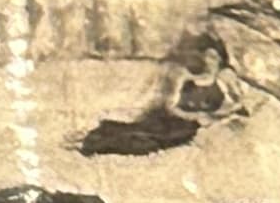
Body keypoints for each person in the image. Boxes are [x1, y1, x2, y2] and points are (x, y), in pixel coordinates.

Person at [79, 32, 255, 158]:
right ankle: (96, 142)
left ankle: (99, 143)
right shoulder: (184, 76)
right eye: (207, 56)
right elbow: (171, 106)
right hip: (168, 119)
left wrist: (225, 113)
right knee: (142, 134)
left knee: (152, 141)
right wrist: (198, 116)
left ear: (221, 60)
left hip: (187, 128)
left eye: (214, 57)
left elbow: (235, 104)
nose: (210, 61)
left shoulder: (223, 80)